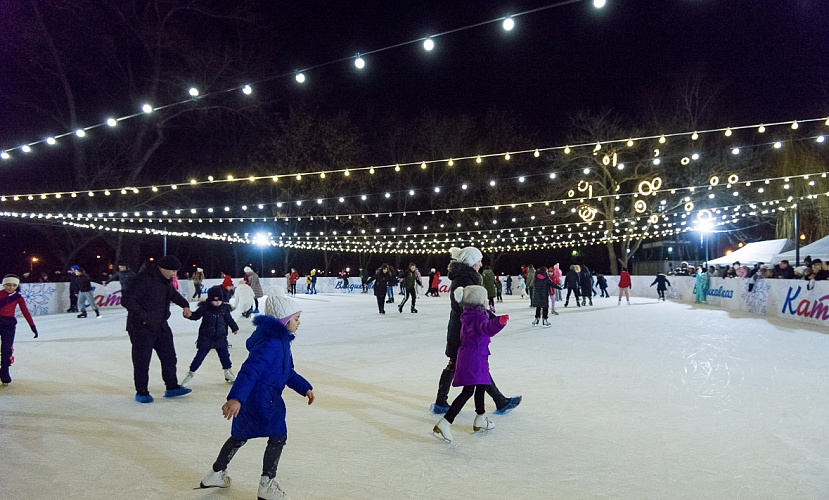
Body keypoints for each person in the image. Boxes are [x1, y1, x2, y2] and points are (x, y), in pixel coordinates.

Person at [199, 292, 314, 500]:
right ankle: (266, 485)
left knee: (240, 435)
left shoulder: (281, 341)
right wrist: (235, 398)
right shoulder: (271, 343)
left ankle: (216, 473)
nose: (299, 323)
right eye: (296, 319)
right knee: (278, 436)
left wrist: (304, 387)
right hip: (264, 400)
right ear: (284, 320)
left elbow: (287, 372)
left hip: (256, 399)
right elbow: (249, 370)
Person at [432, 246, 521, 416]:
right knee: (477, 367)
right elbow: (471, 307)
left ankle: (440, 401)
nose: (481, 264)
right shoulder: (466, 279)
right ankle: (500, 401)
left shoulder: (465, 277)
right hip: (465, 330)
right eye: (479, 260)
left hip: (460, 328)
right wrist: (490, 319)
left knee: (454, 364)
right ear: (471, 262)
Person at [432, 285, 506, 443]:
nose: (488, 301)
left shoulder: (472, 314)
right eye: (485, 299)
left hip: (475, 355)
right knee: (468, 392)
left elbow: (484, 324)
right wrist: (499, 322)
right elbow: (486, 328)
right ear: (479, 302)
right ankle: (445, 422)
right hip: (474, 357)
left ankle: (480, 419)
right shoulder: (478, 317)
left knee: (480, 386)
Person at [121, 255, 193, 403]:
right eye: (172, 271)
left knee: (169, 358)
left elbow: (173, 294)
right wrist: (145, 317)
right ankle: (142, 392)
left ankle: (172, 387)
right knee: (142, 361)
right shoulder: (143, 279)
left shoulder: (165, 281)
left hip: (161, 326)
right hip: (141, 327)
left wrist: (185, 305)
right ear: (162, 268)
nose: (175, 274)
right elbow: (127, 300)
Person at [182, 285, 239, 386]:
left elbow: (229, 319)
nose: (217, 302)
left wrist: (234, 328)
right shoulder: (204, 308)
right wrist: (189, 315)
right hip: (206, 338)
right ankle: (191, 373)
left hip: (220, 337)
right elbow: (196, 316)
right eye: (214, 300)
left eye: (219, 300)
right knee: (199, 357)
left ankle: (228, 372)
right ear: (209, 300)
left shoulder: (224, 309)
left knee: (225, 356)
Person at [0, 275, 38, 385]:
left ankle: (5, 371)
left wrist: (32, 326)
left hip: (9, 325)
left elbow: (25, 311)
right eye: (8, 285)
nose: (11, 287)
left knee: (6, 349)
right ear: (4, 284)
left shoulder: (18, 297)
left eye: (14, 285)